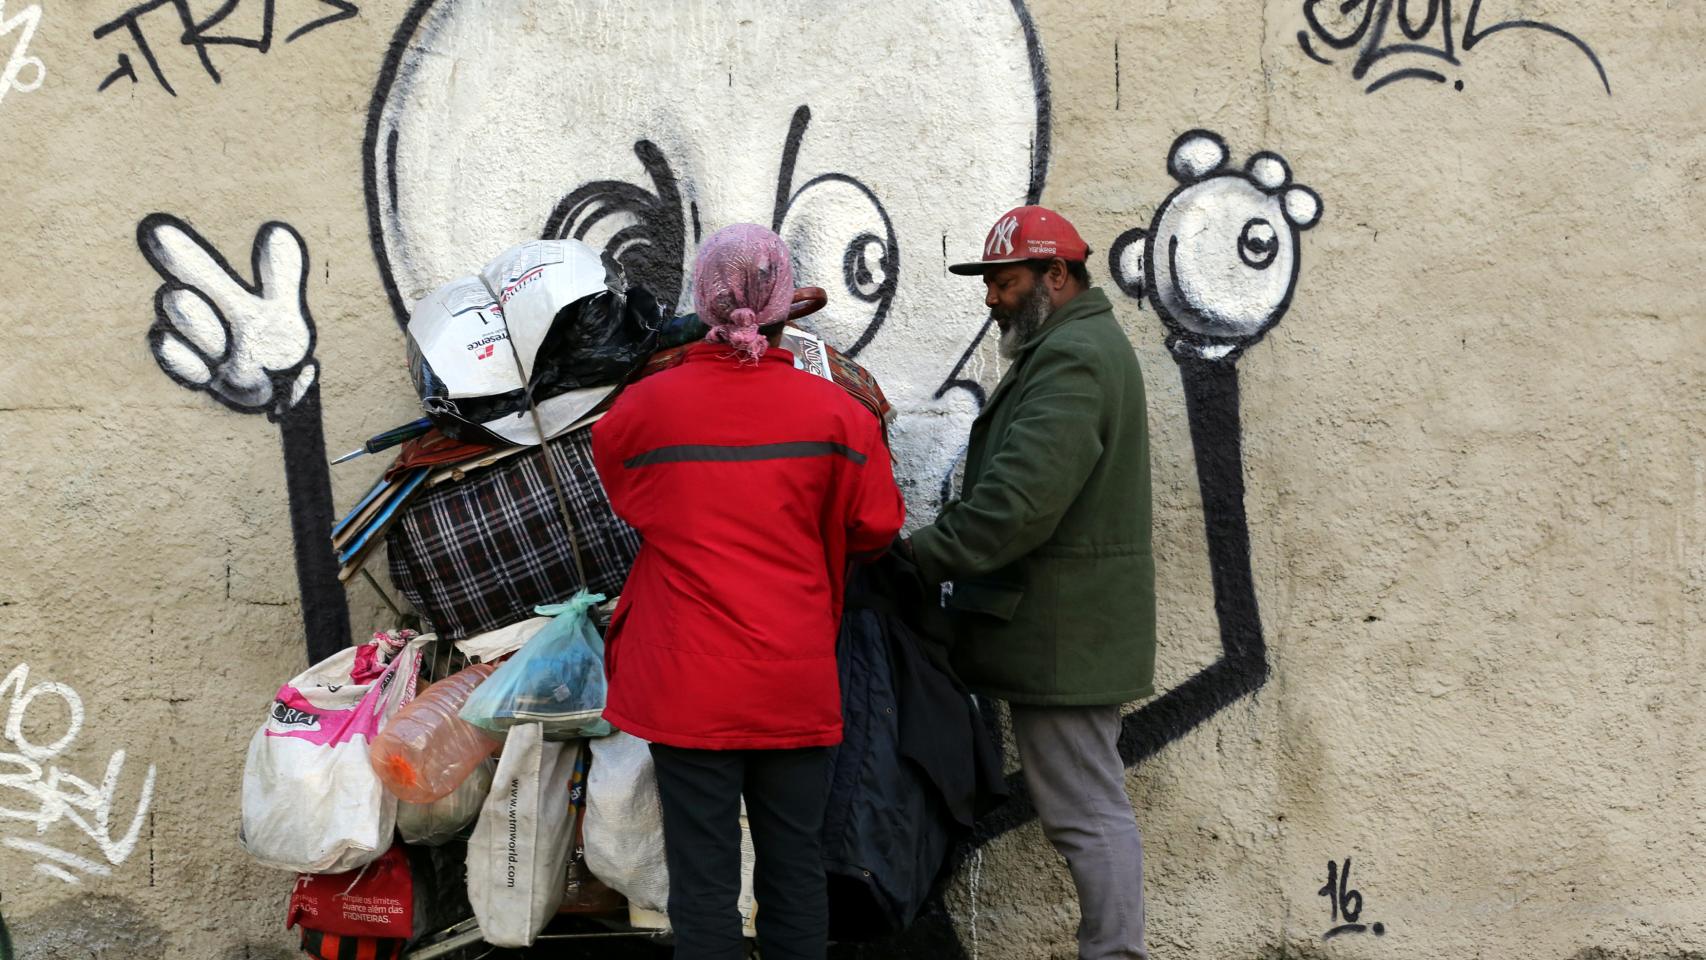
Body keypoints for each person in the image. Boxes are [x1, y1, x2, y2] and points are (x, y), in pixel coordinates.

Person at [591, 224, 906, 960]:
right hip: (792, 678)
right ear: (782, 304)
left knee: (702, 883)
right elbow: (878, 526)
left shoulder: (643, 409)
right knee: (795, 871)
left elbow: (625, 490)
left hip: (686, 682)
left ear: (705, 300)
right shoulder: (839, 415)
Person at [900, 206, 1155, 960]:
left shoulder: (1073, 357)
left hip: (1066, 638)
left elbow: (1019, 502)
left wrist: (919, 558)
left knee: (1086, 812)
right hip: (1063, 632)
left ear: (1056, 274)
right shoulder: (1073, 347)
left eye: (1005, 283)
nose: (992, 299)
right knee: (1084, 807)